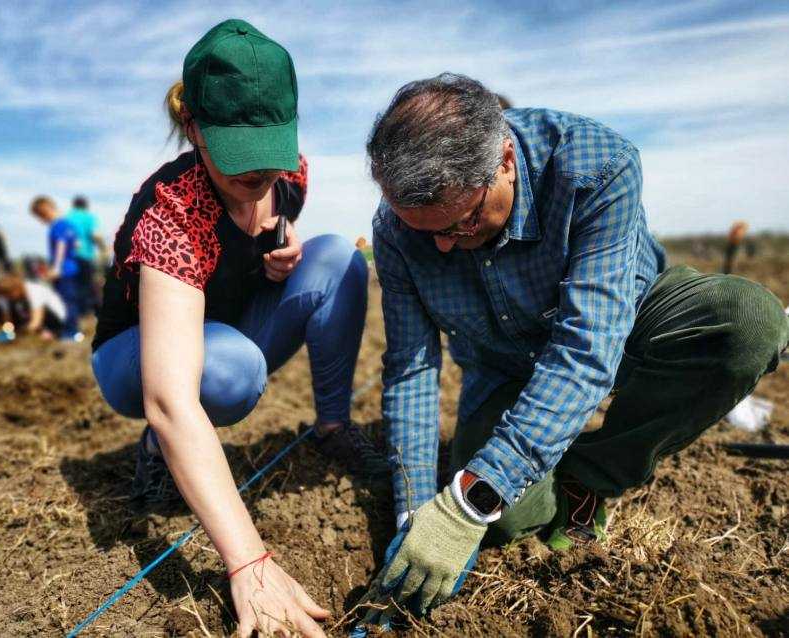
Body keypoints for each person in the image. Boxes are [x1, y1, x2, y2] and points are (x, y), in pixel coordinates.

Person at [360, 73, 789, 622]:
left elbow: (586, 346)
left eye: (462, 223)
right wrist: (417, 515)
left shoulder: (594, 166)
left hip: (624, 326)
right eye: (427, 233)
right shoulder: (398, 231)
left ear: (506, 160)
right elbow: (412, 372)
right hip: (503, 365)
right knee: (508, 523)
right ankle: (548, 478)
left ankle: (595, 473)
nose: (443, 244)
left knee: (747, 325)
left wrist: (474, 496)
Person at [90, 19, 385, 637]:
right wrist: (249, 560)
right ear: (195, 128)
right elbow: (170, 397)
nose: (259, 177)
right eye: (237, 158)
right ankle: (155, 452)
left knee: (337, 259)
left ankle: (331, 426)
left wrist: (279, 258)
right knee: (226, 373)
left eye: (269, 155)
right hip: (136, 353)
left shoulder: (291, 173)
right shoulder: (171, 209)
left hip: (223, 326)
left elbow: (272, 241)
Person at [29, 196, 83, 342]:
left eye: (40, 216)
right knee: (69, 300)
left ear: (45, 210)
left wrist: (57, 267)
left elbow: (61, 244)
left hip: (63, 270)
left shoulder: (58, 225)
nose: (41, 220)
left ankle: (71, 333)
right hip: (71, 268)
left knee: (65, 302)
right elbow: (77, 244)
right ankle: (69, 330)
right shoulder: (68, 224)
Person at [65, 195, 107, 315]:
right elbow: (95, 235)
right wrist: (103, 248)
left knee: (72, 286)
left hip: (68, 258)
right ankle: (84, 314)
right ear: (85, 205)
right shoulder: (88, 217)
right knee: (85, 286)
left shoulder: (67, 217)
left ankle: (72, 314)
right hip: (84, 256)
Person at [0, 274, 68, 339]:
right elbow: (7, 319)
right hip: (30, 316)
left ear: (18, 289)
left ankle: (51, 332)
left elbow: (36, 322)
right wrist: (8, 332)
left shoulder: (35, 291)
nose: (7, 298)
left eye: (9, 295)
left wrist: (20, 334)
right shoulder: (4, 297)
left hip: (54, 318)